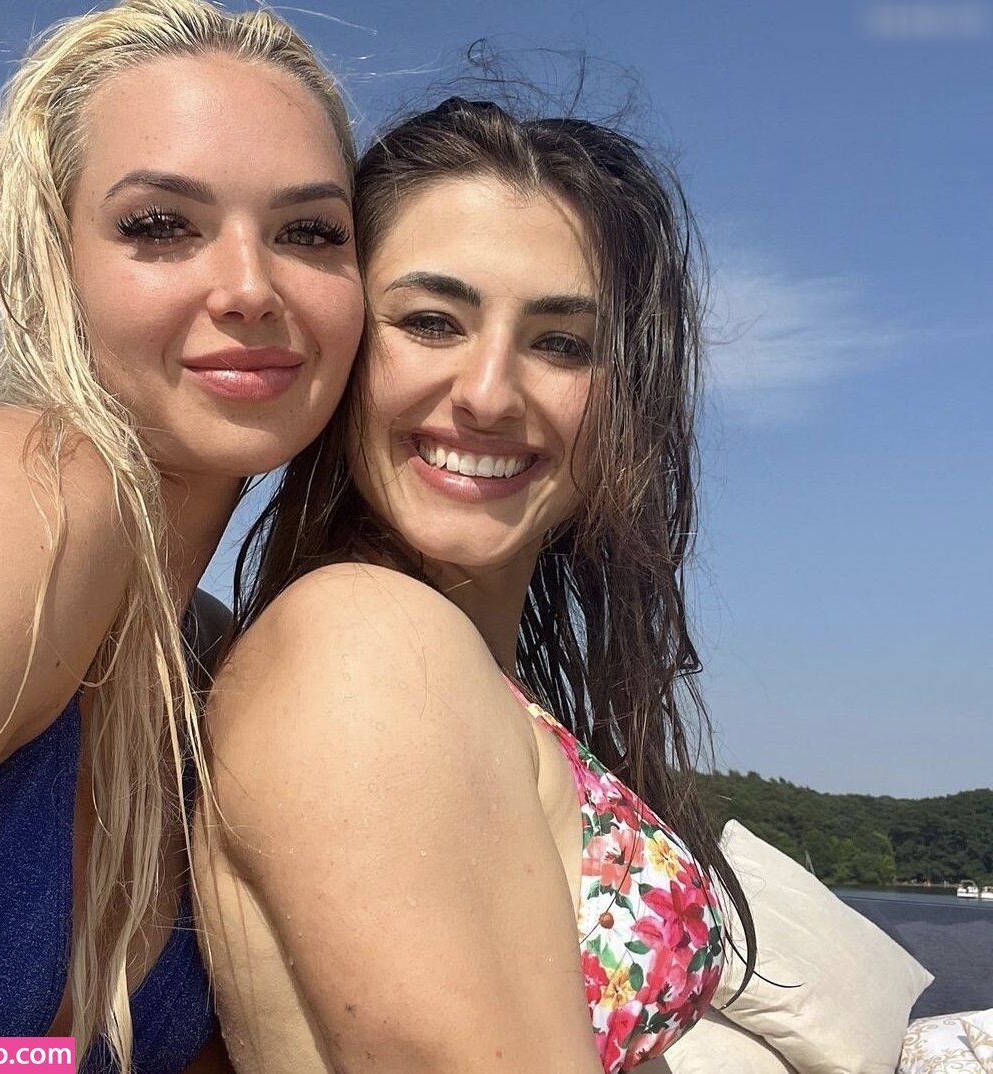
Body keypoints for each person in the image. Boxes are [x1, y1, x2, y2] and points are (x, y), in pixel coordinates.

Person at [198, 97, 757, 1072]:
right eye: (430, 322)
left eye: (561, 343)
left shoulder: (453, 669)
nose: (490, 393)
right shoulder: (366, 646)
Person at [0, 1, 362, 1070]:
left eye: (309, 232)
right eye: (160, 226)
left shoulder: (219, 677)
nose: (250, 287)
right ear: (53, 261)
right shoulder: (32, 490)